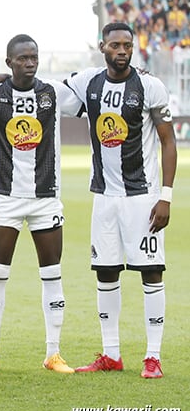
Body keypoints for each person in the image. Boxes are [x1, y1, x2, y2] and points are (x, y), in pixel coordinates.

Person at [64, 23, 177, 378]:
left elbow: (168, 142)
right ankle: (111, 354)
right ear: (102, 47)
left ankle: (153, 357)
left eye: (127, 45)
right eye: (115, 45)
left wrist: (166, 197)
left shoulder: (149, 86)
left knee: (150, 272)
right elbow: (42, 88)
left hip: (142, 198)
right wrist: (2, 77)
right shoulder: (89, 82)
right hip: (104, 198)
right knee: (106, 272)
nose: (123, 51)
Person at [0, 34, 84, 375]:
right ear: (9, 62)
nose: (30, 62)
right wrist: (3, 80)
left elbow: (86, 94)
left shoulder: (52, 92)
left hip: (45, 196)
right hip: (5, 197)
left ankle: (53, 353)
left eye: (33, 56)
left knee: (52, 275)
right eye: (22, 58)